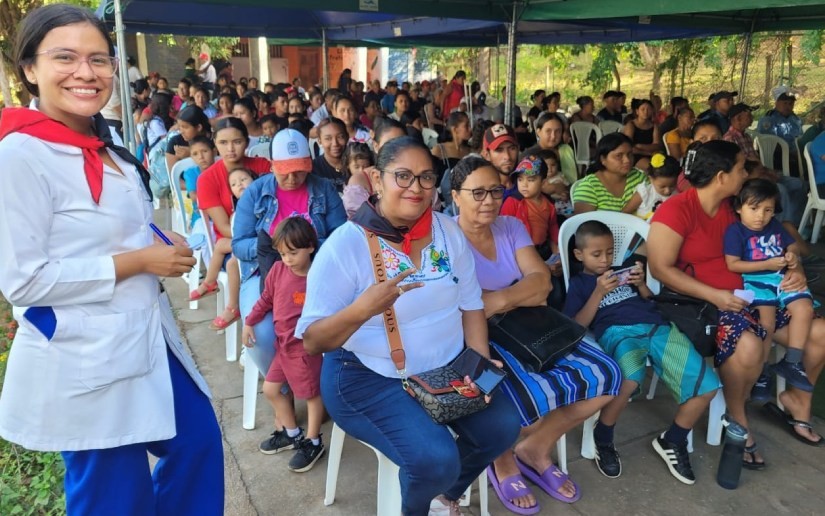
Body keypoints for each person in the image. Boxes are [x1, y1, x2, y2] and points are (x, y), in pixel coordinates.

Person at [0, 5, 223, 513]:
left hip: (144, 334)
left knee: (197, 444)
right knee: (115, 494)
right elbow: (24, 281)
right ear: (30, 70)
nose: (86, 72)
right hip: (85, 352)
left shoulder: (104, 139)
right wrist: (140, 260)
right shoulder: (19, 156)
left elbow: (105, 224)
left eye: (99, 59)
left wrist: (154, 236)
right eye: (65, 58)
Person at [296, 137, 520, 516]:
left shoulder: (449, 233)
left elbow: (471, 305)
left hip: (446, 368)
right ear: (376, 179)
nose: (415, 188)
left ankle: (442, 497)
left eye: (426, 178)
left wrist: (477, 365)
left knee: (502, 428)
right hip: (367, 376)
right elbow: (313, 341)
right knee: (435, 459)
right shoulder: (344, 247)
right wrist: (361, 310)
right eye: (402, 176)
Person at [452, 156, 620, 513]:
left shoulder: (511, 226)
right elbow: (462, 309)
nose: (489, 200)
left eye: (495, 190)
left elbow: (542, 286)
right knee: (508, 396)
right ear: (455, 196)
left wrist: (493, 300)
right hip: (478, 334)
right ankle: (504, 462)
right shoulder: (447, 239)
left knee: (608, 376)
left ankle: (535, 447)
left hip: (534, 324)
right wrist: (514, 294)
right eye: (477, 192)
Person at [649, 140, 825, 472]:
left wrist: (795, 268)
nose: (746, 174)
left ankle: (797, 399)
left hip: (759, 293)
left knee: (820, 332)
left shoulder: (738, 206)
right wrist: (714, 295)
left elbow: (781, 236)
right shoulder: (677, 209)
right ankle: (737, 417)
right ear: (721, 176)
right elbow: (660, 268)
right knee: (747, 347)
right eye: (741, 168)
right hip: (708, 301)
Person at [564, 221, 719, 484]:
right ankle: (603, 436)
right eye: (596, 254)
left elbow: (649, 301)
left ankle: (674, 439)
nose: (605, 260)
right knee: (628, 378)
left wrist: (643, 284)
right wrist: (599, 292)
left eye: (610, 252)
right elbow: (577, 324)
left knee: (707, 385)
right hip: (618, 332)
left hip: (657, 328)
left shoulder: (620, 273)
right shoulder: (581, 284)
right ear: (579, 255)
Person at [232, 129, 346, 380]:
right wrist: (279, 247)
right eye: (285, 171)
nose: (293, 178)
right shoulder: (256, 192)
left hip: (315, 272)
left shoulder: (323, 189)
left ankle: (324, 384)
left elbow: (341, 238)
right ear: (272, 165)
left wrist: (306, 247)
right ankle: (282, 387)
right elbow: (239, 244)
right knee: (262, 333)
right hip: (264, 273)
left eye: (300, 170)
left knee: (343, 323)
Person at [243, 217, 325, 472]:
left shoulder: (319, 277)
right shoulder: (278, 270)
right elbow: (266, 298)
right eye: (282, 253)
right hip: (283, 346)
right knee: (270, 389)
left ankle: (314, 440)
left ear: (310, 247)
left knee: (311, 395)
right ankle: (291, 433)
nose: (287, 259)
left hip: (305, 349)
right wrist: (249, 322)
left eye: (293, 252)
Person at [724, 178, 815, 394]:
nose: (760, 216)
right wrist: (767, 263)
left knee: (805, 308)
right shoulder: (735, 231)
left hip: (781, 278)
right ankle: (762, 373)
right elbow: (733, 264)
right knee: (767, 325)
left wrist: (793, 257)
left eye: (768, 210)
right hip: (756, 281)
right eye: (754, 208)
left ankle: (792, 361)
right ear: (739, 208)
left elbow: (790, 244)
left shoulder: (774, 226)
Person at [500, 155, 559, 261]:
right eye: (520, 179)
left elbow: (552, 226)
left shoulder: (549, 203)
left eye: (531, 180)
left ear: (543, 183)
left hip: (543, 250)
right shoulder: (512, 202)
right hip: (519, 253)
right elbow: (503, 231)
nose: (524, 185)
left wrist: (557, 247)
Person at [573, 133, 647, 214]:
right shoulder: (589, 187)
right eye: (619, 156)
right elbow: (582, 224)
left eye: (629, 154)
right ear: (603, 159)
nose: (627, 160)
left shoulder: (639, 177)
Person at [522, 113, 577, 185]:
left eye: (558, 131)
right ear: (538, 132)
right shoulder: (530, 155)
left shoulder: (565, 151)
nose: (553, 136)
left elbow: (572, 181)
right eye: (548, 131)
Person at [623, 153, 679, 221]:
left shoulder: (677, 196)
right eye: (662, 187)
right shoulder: (644, 192)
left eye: (672, 186)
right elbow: (624, 213)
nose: (667, 191)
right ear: (651, 179)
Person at [180, 135, 215, 231]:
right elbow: (194, 196)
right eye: (195, 154)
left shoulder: (221, 170)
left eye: (204, 151)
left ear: (214, 151)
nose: (201, 157)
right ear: (191, 157)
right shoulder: (191, 173)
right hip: (201, 218)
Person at [165, 105, 211, 172]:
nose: (181, 131)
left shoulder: (214, 140)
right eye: (180, 127)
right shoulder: (175, 143)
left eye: (185, 127)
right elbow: (175, 177)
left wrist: (192, 154)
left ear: (198, 127)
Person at [621, 99, 661, 170]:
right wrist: (648, 153)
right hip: (634, 155)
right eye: (643, 109)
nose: (646, 112)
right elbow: (628, 147)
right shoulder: (631, 125)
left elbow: (657, 145)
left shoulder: (654, 126)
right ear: (637, 111)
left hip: (652, 154)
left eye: (648, 109)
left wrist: (640, 146)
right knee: (651, 168)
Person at [312, 117, 348, 193]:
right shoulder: (314, 168)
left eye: (340, 137)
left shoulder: (358, 162)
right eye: (328, 138)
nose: (335, 143)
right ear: (319, 141)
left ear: (347, 137)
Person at [341, 142, 375, 217]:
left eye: (365, 166)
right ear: (347, 165)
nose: (361, 171)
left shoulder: (374, 182)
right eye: (356, 167)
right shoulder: (346, 185)